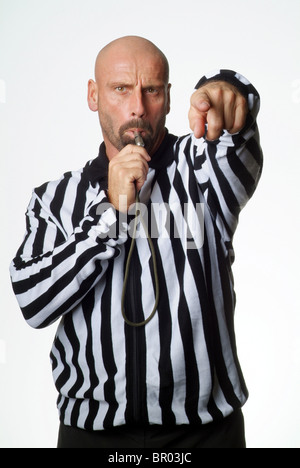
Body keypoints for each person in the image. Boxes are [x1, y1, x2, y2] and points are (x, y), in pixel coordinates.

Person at [10, 36, 263, 448]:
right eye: (121, 88)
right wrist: (109, 212)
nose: (138, 108)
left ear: (167, 96)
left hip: (204, 433)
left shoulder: (202, 171)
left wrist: (227, 91)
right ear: (94, 95)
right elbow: (31, 301)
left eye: (152, 90)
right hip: (92, 433)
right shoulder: (55, 198)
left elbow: (238, 136)